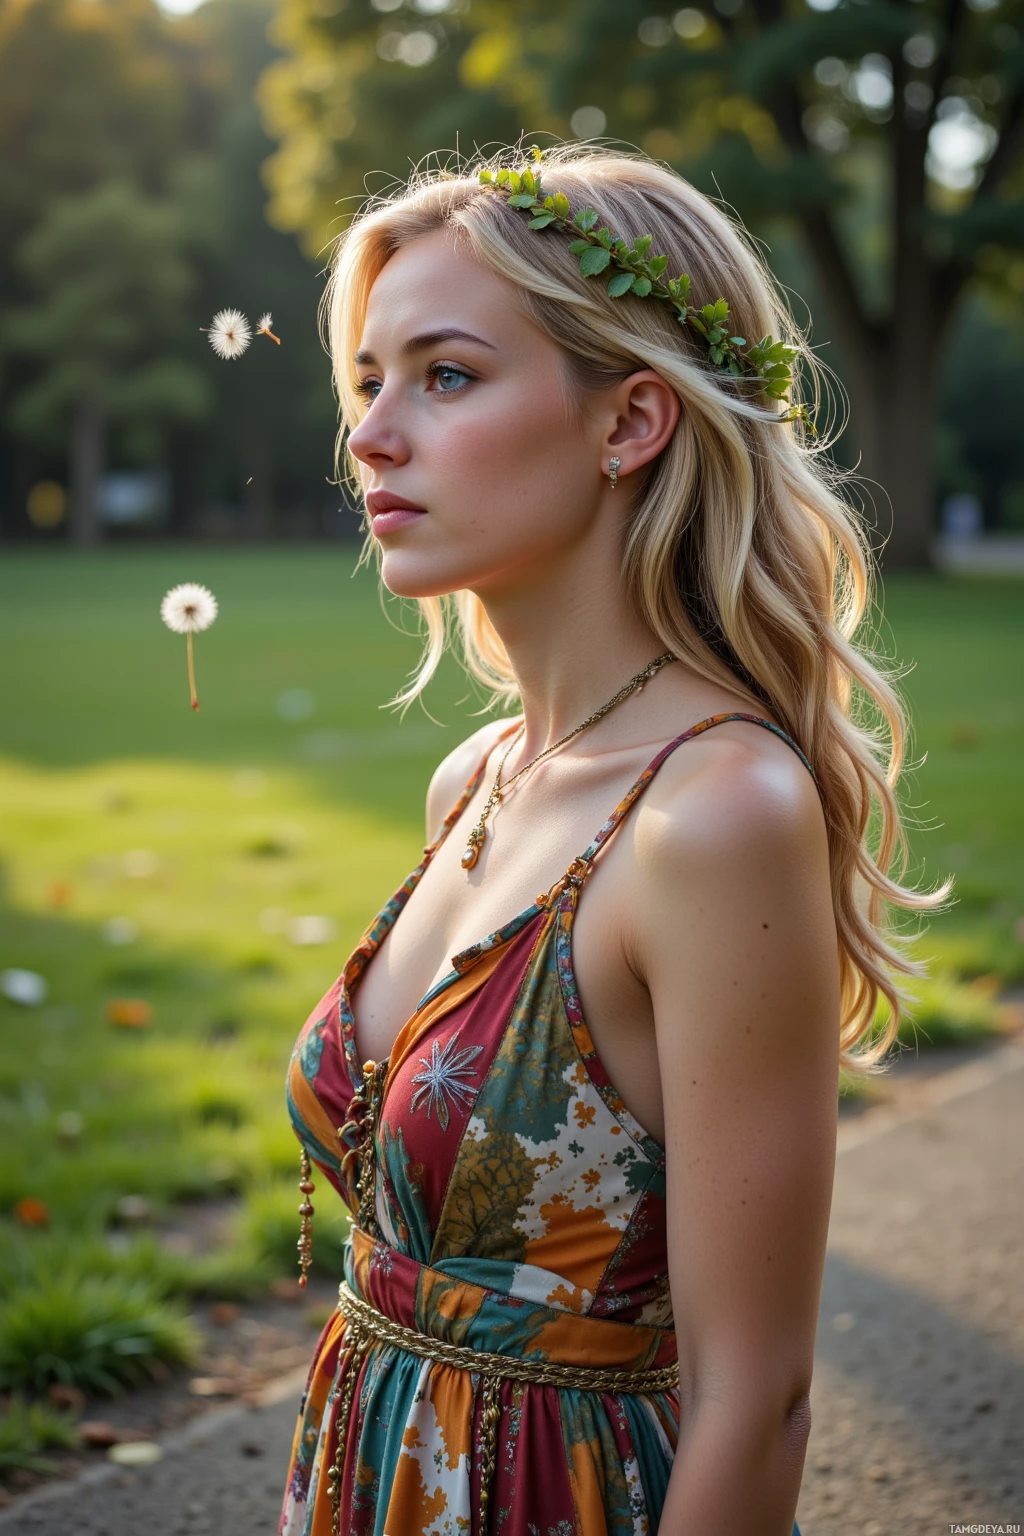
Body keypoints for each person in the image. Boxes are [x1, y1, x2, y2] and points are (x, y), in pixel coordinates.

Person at [279, 140, 947, 1536]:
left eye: (445, 376)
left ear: (630, 420)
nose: (372, 434)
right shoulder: (475, 778)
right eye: (367, 381)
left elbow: (755, 1401)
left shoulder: (714, 817)